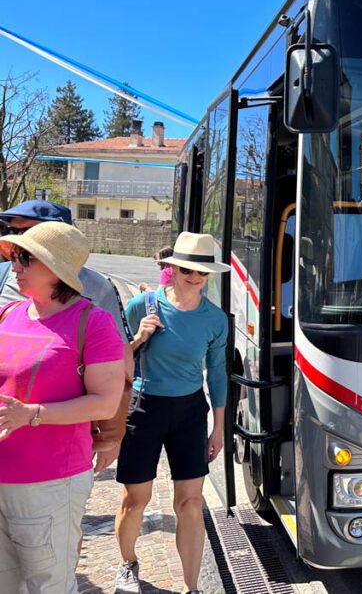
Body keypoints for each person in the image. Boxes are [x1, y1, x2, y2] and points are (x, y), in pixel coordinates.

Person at [0, 222, 126, 593]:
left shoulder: (93, 323)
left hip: (49, 480)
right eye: (14, 256)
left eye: (24, 258)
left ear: (53, 269)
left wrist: (33, 414)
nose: (14, 265)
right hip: (4, 475)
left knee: (49, 585)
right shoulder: (10, 315)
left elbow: (105, 401)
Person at [114, 232, 229, 594]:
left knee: (191, 503)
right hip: (146, 408)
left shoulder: (215, 318)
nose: (194, 277)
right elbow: (114, 361)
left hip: (190, 411)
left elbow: (219, 371)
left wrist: (219, 428)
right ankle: (128, 563)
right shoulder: (144, 306)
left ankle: (192, 587)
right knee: (136, 501)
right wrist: (137, 339)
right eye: (187, 269)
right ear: (173, 268)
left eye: (202, 272)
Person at [0, 200, 133, 472]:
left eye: (31, 235)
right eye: (14, 233)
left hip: (54, 460)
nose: (20, 246)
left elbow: (120, 363)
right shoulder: (5, 279)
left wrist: (111, 434)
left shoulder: (97, 289)